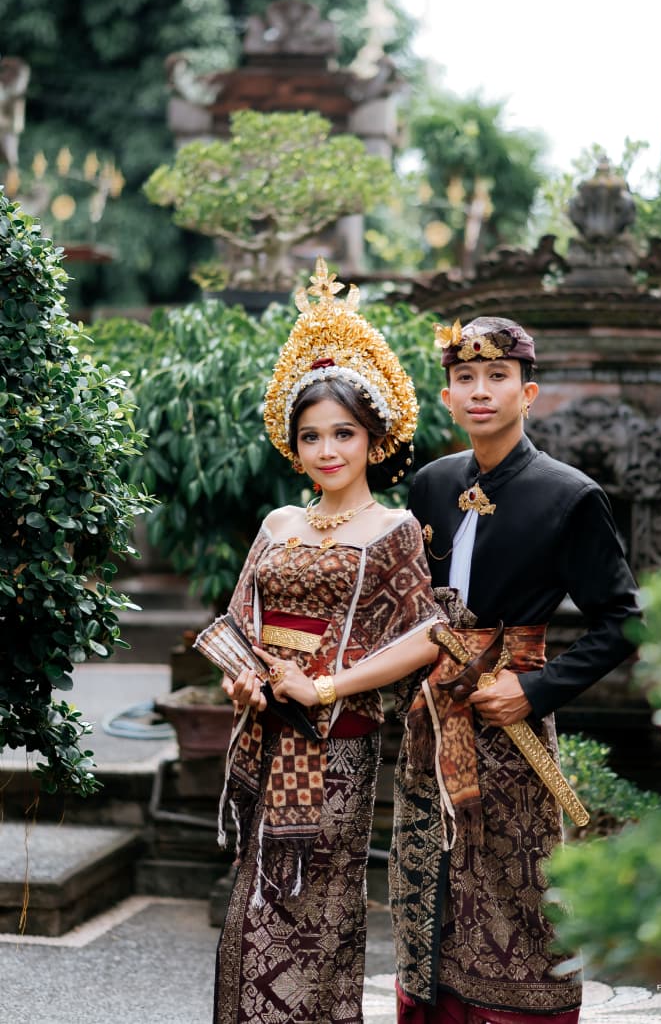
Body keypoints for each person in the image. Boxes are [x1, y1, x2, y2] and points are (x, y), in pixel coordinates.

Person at [201, 258, 443, 1024]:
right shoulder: (278, 523)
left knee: (315, 914)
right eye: (311, 436)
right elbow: (238, 624)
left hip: (335, 747)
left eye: (344, 433)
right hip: (264, 738)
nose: (327, 450)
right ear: (293, 444)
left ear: (374, 439)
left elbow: (427, 636)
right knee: (250, 912)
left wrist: (326, 685)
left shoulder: (394, 529)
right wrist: (241, 679)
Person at [389, 315, 641, 1024]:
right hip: (432, 728)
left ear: (528, 393)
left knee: (519, 900)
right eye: (464, 378)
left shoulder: (570, 496)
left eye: (497, 377)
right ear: (446, 398)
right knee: (426, 888)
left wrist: (534, 689)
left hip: (512, 729)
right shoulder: (430, 485)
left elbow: (624, 619)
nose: (480, 391)